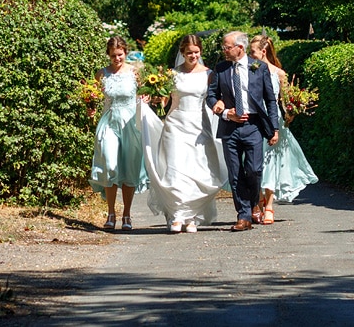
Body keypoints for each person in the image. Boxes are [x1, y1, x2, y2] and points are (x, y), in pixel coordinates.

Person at [139, 34, 228, 233]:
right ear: (182, 53)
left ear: (201, 53)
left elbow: (216, 97)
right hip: (175, 124)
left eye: (196, 52)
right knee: (175, 169)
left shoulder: (209, 74)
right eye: (189, 53)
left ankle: (192, 217)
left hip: (199, 125)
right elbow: (162, 99)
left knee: (197, 171)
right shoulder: (172, 74)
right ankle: (177, 215)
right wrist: (151, 98)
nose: (193, 56)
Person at [207, 30, 280, 231]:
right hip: (229, 127)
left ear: (240, 48)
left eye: (227, 47)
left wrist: (274, 128)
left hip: (254, 126)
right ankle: (244, 215)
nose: (224, 50)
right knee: (235, 173)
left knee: (254, 170)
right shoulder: (221, 69)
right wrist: (224, 112)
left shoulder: (259, 68)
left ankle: (255, 200)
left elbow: (270, 100)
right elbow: (211, 96)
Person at [250, 34, 318, 224]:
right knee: (255, 163)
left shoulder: (279, 73)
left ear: (263, 52)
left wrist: (294, 109)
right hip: (254, 120)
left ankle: (269, 205)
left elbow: (285, 100)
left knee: (271, 162)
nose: (250, 55)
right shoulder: (249, 70)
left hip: (274, 121)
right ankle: (260, 198)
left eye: (253, 52)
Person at [89, 35, 148, 230]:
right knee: (110, 164)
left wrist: (147, 99)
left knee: (130, 168)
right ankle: (111, 212)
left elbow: (145, 93)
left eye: (120, 55)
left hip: (130, 123)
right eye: (113, 55)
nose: (117, 59)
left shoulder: (135, 72)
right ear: (108, 55)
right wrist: (90, 105)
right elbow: (92, 94)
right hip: (109, 122)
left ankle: (127, 215)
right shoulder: (102, 74)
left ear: (125, 53)